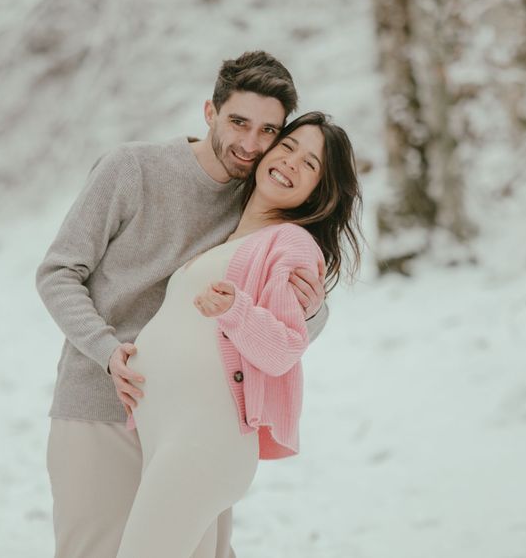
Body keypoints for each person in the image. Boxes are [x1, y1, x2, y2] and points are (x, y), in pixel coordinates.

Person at [36, 51, 330, 558]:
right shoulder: (132, 169)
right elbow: (59, 272)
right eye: (239, 122)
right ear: (210, 112)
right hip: (101, 406)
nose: (251, 143)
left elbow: (286, 324)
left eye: (268, 131)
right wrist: (107, 351)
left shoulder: (257, 201)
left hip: (192, 420)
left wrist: (313, 308)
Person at [114, 111, 363, 557]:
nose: (290, 163)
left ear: (319, 193)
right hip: (167, 434)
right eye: (288, 148)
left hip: (206, 440)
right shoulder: (228, 235)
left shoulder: (291, 244)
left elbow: (285, 348)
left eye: (310, 165)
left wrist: (237, 310)